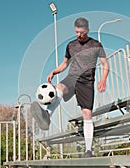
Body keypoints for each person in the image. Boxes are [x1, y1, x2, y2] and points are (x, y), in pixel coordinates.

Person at [41, 17, 109, 158]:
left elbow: (105, 65)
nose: (78, 35)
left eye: (81, 32)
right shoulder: (71, 45)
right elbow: (65, 63)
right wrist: (54, 71)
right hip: (72, 78)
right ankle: (47, 115)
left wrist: (103, 79)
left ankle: (88, 150)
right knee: (59, 87)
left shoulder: (96, 45)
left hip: (87, 82)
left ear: (88, 30)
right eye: (76, 32)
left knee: (87, 114)